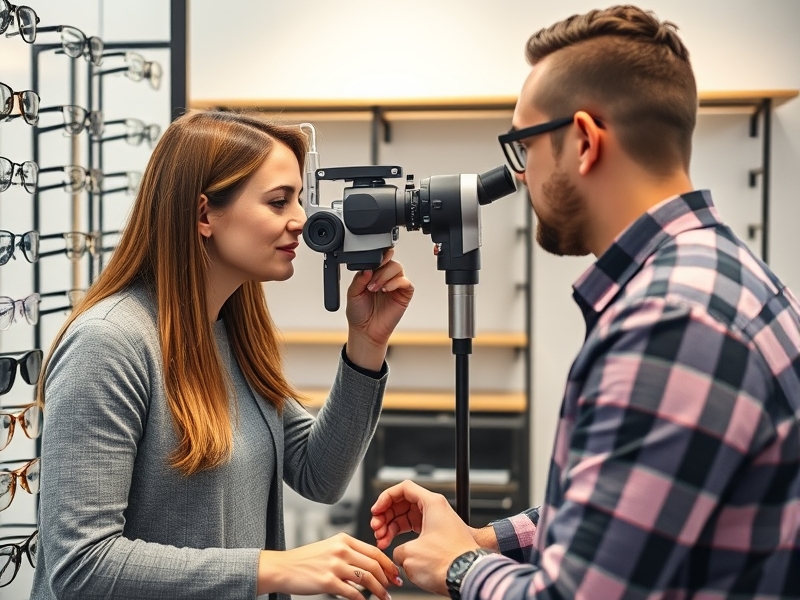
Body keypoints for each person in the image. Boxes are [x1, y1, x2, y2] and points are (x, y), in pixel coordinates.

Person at [370, 5, 800, 599]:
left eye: (524, 145)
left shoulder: (670, 322)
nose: (520, 176)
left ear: (584, 141)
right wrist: (484, 539)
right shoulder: (723, 279)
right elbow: (629, 503)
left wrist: (460, 568)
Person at [31, 110, 413, 600]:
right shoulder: (108, 344)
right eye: (279, 202)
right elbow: (81, 565)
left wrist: (367, 342)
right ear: (204, 214)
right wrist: (272, 568)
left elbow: (320, 474)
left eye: (298, 199)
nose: (302, 220)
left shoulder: (231, 333)